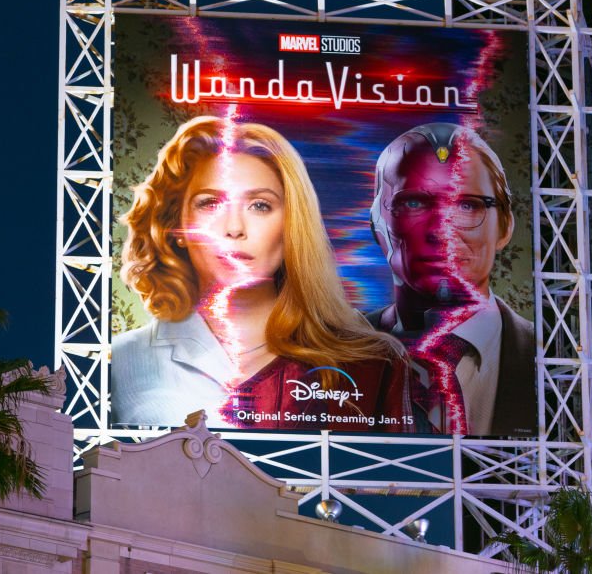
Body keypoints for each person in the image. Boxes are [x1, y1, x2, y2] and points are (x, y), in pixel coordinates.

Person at [112, 115, 414, 433]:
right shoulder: (122, 359)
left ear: (292, 224)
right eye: (210, 203)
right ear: (178, 227)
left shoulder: (372, 363)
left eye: (259, 205)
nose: (234, 228)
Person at [367, 122, 536, 437]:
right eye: (414, 202)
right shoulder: (326, 354)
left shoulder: (553, 360)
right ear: (378, 222)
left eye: (468, 205)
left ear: (505, 226)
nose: (441, 230)